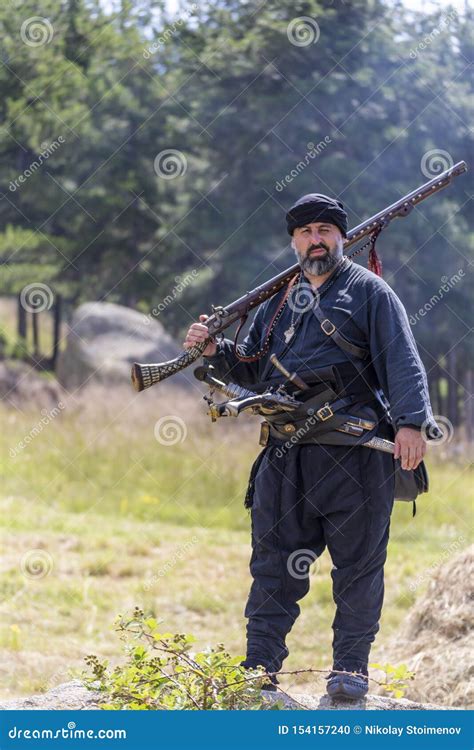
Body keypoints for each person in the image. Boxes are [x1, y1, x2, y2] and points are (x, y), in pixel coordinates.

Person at [183, 193, 440, 700]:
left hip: (355, 454)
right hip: (286, 454)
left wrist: (412, 424)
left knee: (359, 567)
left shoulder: (370, 293)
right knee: (273, 565)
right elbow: (252, 368)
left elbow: (403, 360)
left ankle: (349, 670)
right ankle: (259, 667)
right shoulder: (277, 300)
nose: (316, 239)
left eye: (325, 230)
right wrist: (216, 350)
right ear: (294, 240)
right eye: (306, 232)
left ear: (342, 237)